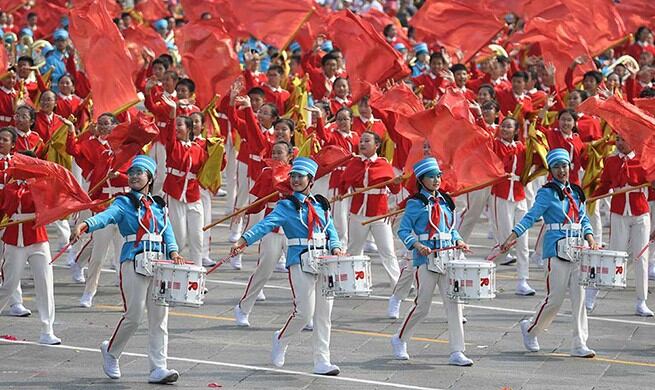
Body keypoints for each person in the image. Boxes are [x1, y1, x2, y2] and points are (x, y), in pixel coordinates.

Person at [70, 155, 183, 384]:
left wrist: (173, 252)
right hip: (133, 260)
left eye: (139, 173)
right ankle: (111, 352)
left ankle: (158, 368)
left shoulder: (159, 205)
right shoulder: (123, 202)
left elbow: (167, 231)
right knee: (133, 314)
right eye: (131, 173)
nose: (133, 176)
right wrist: (85, 224)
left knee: (160, 317)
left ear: (149, 178)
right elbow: (106, 217)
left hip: (159, 264)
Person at [232, 157, 345, 376]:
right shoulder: (286, 205)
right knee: (304, 313)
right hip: (300, 260)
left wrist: (336, 247)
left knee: (324, 314)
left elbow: (330, 228)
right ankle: (281, 339)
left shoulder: (321, 204)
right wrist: (244, 240)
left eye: (299, 177)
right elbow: (265, 225)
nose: (294, 180)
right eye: (292, 176)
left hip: (323, 262)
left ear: (310, 180)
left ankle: (322, 361)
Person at [500, 148, 599, 358]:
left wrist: (590, 238)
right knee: (555, 299)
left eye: (564, 166)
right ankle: (530, 329)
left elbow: (583, 218)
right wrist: (513, 235)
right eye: (557, 167)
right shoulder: (546, 192)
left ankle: (579, 343)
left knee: (579, 298)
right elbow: (531, 216)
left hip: (577, 248)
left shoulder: (576, 192)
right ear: (551, 171)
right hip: (556, 249)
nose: (562, 170)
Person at [390, 157, 473, 366]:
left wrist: (460, 241)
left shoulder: (445, 201)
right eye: (431, 177)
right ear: (421, 179)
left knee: (454, 304)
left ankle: (457, 351)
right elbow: (403, 230)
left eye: (438, 176)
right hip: (425, 260)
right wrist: (417, 246)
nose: (436, 180)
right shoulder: (415, 203)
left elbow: (451, 228)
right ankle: (399, 338)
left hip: (447, 258)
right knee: (422, 306)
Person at [586, 135, 653, 316]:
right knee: (614, 254)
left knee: (641, 258)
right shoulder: (611, 161)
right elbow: (605, 184)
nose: (620, 143)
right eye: (618, 139)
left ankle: (641, 301)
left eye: (624, 139)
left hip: (640, 213)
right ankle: (593, 293)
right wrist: (590, 198)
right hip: (618, 213)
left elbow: (652, 191)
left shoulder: (644, 160)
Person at [0, 148, 61, 345]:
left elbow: (50, 208)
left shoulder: (42, 186)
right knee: (8, 285)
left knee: (45, 285)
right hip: (14, 240)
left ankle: (47, 329)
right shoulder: (9, 188)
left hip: (38, 239)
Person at [234, 141, 293, 327]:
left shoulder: (296, 173)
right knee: (264, 270)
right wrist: (246, 210)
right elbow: (259, 201)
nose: (276, 156)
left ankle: (303, 314)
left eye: (280, 153)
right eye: (273, 153)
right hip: (273, 226)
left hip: (293, 228)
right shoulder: (266, 172)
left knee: (299, 273)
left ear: (289, 156)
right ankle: (243, 308)